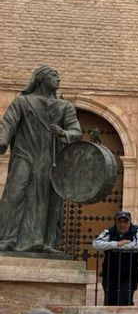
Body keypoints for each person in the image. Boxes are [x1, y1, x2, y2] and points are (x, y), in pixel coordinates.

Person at [0, 66, 82, 253]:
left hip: (51, 158)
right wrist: (2, 142)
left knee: (49, 200)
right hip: (25, 154)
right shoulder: (22, 102)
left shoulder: (65, 107)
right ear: (41, 78)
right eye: (54, 75)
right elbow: (8, 123)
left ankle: (46, 243)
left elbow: (76, 131)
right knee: (15, 193)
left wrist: (63, 133)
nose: (58, 80)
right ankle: (7, 239)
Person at [94, 210, 138, 305]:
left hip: (130, 274)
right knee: (109, 301)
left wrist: (112, 247)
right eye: (120, 222)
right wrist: (116, 244)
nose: (122, 224)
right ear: (116, 222)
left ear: (130, 222)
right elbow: (96, 244)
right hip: (110, 273)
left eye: (125, 222)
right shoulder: (109, 231)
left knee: (125, 301)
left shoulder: (137, 231)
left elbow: (137, 245)